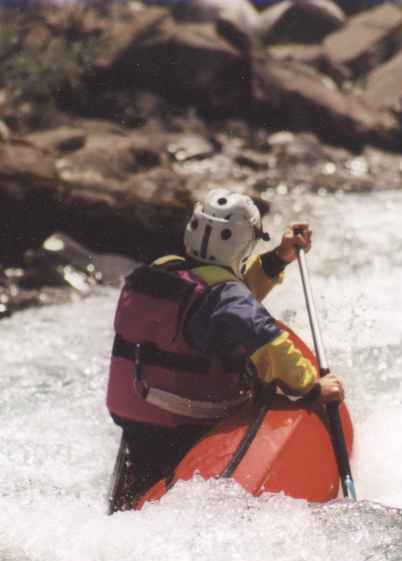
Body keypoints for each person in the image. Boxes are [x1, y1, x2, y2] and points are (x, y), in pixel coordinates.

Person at [105, 188, 345, 512]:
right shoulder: (224, 297)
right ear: (243, 245)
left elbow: (225, 297)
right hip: (188, 417)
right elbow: (269, 343)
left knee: (134, 499)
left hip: (135, 415)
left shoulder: (159, 271)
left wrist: (279, 258)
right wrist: (311, 387)